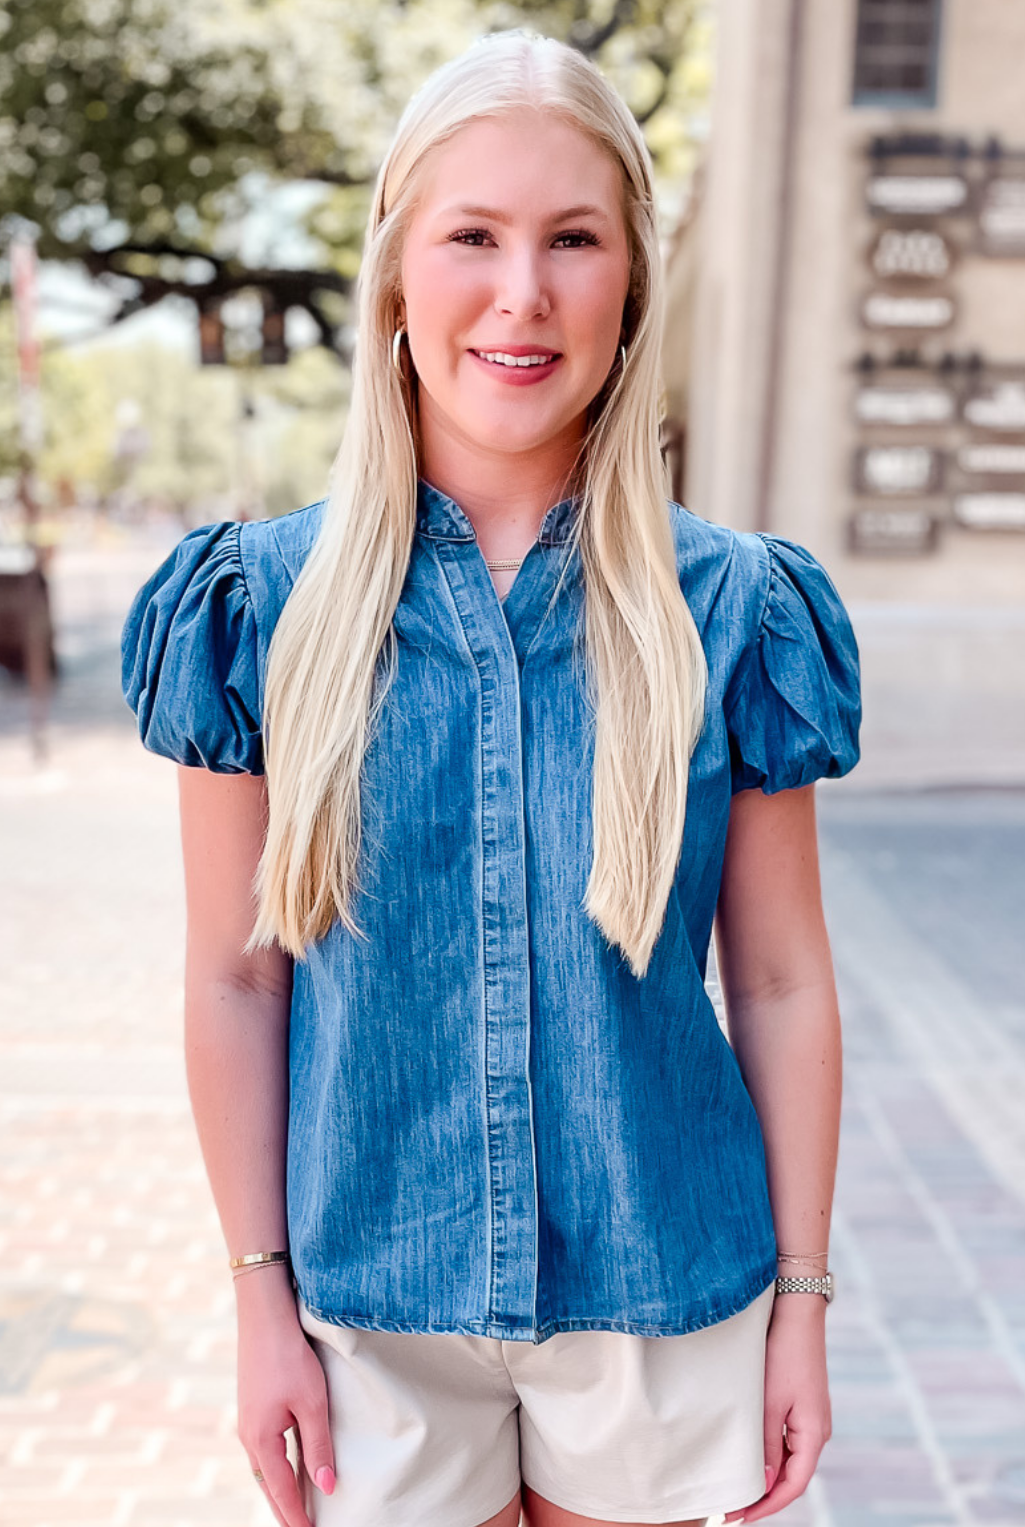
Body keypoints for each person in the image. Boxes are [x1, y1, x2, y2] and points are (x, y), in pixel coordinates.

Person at [121, 29, 861, 1527]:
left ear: (631, 282)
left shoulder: (736, 609)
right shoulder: (260, 605)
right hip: (368, 1307)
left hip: (661, 1297)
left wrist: (803, 1299)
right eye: (474, 235)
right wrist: (258, 1297)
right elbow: (234, 981)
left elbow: (780, 980)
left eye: (573, 240)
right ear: (398, 270)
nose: (522, 295)